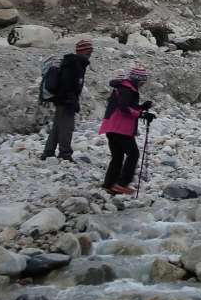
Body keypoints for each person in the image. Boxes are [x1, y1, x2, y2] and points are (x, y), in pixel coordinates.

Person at [98, 67, 154, 195]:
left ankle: (109, 184)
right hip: (120, 128)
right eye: (143, 81)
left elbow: (128, 107)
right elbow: (124, 108)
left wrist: (142, 108)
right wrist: (142, 115)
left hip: (111, 127)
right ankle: (122, 184)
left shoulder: (123, 88)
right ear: (137, 79)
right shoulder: (127, 89)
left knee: (117, 157)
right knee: (133, 154)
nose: (143, 84)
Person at [41, 39, 93, 162]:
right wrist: (72, 100)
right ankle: (65, 154)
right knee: (67, 127)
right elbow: (69, 84)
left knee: (58, 126)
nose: (90, 54)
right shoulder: (75, 64)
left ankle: (48, 152)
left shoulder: (73, 62)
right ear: (83, 51)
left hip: (61, 100)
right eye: (89, 51)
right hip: (66, 101)